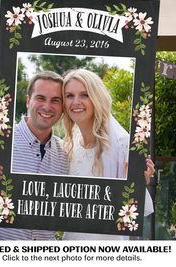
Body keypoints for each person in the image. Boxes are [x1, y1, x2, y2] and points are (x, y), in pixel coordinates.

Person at [0, 71, 68, 240]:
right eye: (40, 98)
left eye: (55, 100)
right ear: (28, 101)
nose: (47, 106)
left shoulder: (65, 152)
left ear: (62, 108)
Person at [62, 68, 155, 240]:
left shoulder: (123, 145)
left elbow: (134, 214)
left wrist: (138, 186)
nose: (76, 102)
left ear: (97, 98)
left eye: (85, 95)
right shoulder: (69, 144)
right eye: (69, 95)